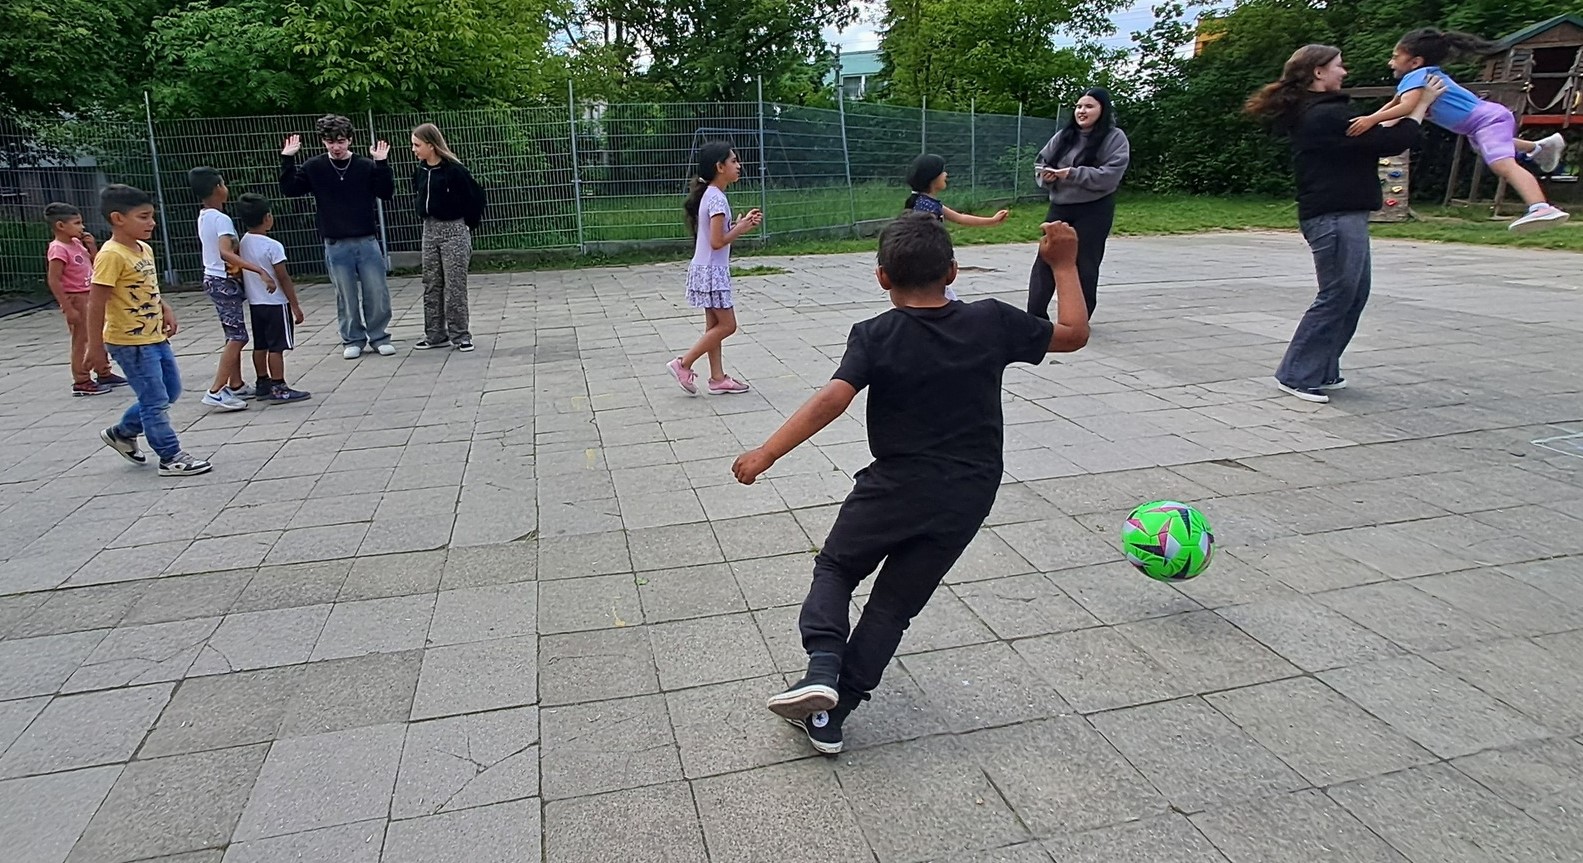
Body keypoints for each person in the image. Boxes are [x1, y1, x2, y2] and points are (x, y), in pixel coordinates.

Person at [733, 214, 1091, 755]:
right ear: (952, 271)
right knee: (893, 607)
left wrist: (766, 453)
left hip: (893, 487)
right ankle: (832, 716)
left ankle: (823, 665)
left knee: (837, 568)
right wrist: (1064, 264)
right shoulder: (992, 321)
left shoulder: (875, 334)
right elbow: (1074, 334)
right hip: (968, 492)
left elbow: (833, 399)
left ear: (882, 277)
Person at [1246, 44, 1446, 403]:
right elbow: (1391, 141)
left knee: (1353, 295)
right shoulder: (1324, 115)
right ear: (1318, 72)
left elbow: (1374, 129)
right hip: (1333, 216)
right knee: (1337, 295)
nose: (1345, 71)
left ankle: (1321, 368)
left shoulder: (1324, 110)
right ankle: (1296, 375)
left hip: (1344, 214)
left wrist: (1407, 105)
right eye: (1339, 65)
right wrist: (1421, 105)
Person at [1347, 28, 1567, 233]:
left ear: (1415, 62)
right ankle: (1539, 148)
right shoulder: (1420, 77)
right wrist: (1372, 123)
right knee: (1486, 148)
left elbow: (1406, 107)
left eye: (1395, 57)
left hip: (1486, 121)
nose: (1390, 62)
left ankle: (1541, 207)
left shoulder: (1416, 77)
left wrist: (1371, 120)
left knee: (1502, 164)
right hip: (1484, 122)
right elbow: (1395, 104)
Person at [88, 184, 211, 477]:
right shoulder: (111, 255)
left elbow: (147, 287)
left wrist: (165, 307)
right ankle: (170, 456)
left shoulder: (143, 249)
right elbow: (96, 303)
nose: (152, 223)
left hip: (155, 336)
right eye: (143, 217)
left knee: (170, 391)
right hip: (130, 342)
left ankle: (122, 432)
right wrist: (94, 348)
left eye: (151, 216)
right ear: (118, 218)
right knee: (154, 400)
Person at [280, 114, 396, 359]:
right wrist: (287, 159)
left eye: (341, 141)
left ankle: (379, 336)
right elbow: (290, 189)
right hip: (335, 242)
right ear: (323, 142)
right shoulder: (315, 167)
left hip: (366, 239)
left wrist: (382, 164)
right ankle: (352, 338)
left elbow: (386, 192)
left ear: (350, 140)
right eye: (330, 142)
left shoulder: (364, 165)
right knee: (346, 295)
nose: (336, 147)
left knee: (377, 291)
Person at [664, 141, 762, 396]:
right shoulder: (717, 199)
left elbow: (716, 237)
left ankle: (717, 379)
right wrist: (741, 228)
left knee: (714, 327)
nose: (738, 165)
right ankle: (683, 363)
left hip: (705, 269)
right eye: (733, 161)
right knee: (728, 326)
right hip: (712, 272)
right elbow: (717, 242)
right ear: (719, 167)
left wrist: (738, 226)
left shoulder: (711, 194)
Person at [1028, 87, 1130, 319]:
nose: (1082, 111)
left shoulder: (1115, 138)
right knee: (1045, 258)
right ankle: (1035, 317)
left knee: (1085, 264)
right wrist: (1046, 176)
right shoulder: (1064, 136)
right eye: (1079, 106)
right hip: (1060, 207)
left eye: (1089, 106)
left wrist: (1072, 174)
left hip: (1094, 209)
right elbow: (1041, 163)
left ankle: (1078, 319)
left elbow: (1110, 176)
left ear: (1103, 110)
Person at [191, 166, 271, 411]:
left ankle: (236, 384)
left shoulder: (204, 216)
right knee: (238, 336)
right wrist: (258, 270)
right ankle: (216, 390)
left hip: (214, 278)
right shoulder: (221, 219)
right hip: (223, 280)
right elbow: (225, 252)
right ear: (218, 188)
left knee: (232, 333)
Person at [410, 123, 486, 352]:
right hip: (429, 229)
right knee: (431, 282)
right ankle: (435, 334)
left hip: (454, 229)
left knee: (454, 284)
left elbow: (475, 197)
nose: (414, 150)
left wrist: (467, 225)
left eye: (417, 145)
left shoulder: (455, 171)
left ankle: (460, 334)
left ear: (431, 145)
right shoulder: (421, 170)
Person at [235, 193, 311, 404]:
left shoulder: (243, 242)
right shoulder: (272, 246)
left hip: (256, 303)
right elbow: (283, 277)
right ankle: (279, 386)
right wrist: (295, 305)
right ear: (267, 217)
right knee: (277, 347)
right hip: (276, 303)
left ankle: (263, 381)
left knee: (260, 345)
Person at [903, 153, 1010, 301]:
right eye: (942, 172)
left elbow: (961, 218)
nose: (946, 175)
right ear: (932, 178)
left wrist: (992, 220)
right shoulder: (926, 208)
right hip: (928, 266)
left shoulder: (929, 203)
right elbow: (924, 238)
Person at [43, 202, 124, 396]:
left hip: (90, 293)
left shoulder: (77, 243)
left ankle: (103, 371)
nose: (82, 227)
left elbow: (95, 264)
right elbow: (54, 279)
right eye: (77, 223)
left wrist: (92, 247)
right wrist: (67, 307)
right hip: (76, 297)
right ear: (61, 225)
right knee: (82, 339)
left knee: (98, 333)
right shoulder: (58, 249)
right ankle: (81, 379)